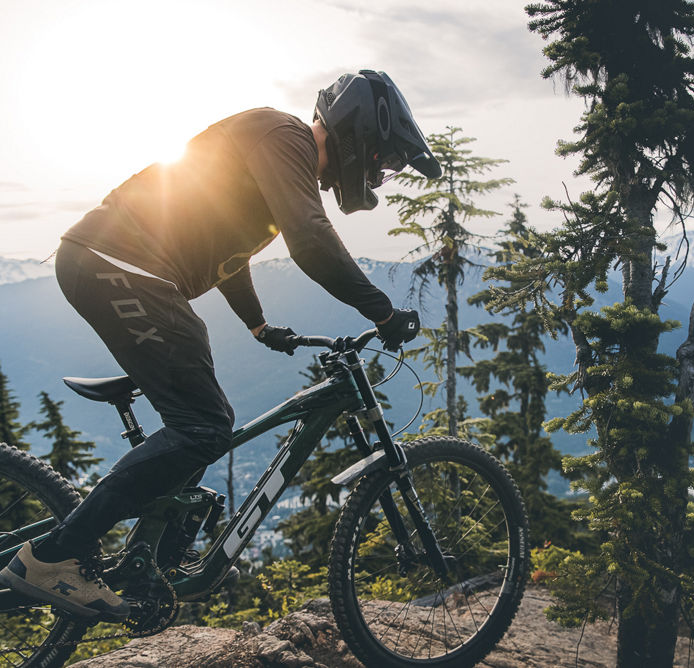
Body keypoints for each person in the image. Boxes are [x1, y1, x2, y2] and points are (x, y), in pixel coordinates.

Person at [0, 70, 439, 621]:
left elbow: (229, 250)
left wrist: (258, 325)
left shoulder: (277, 149)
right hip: (118, 266)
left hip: (112, 266)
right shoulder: (286, 136)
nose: (379, 173)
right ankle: (54, 558)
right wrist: (383, 312)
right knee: (205, 426)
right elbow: (310, 238)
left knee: (199, 424)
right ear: (361, 132)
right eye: (383, 160)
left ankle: (146, 562)